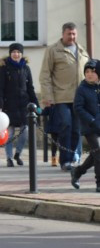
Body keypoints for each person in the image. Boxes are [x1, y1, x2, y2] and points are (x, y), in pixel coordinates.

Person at [39, 22, 89, 171]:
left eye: (74, 34)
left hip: (79, 99)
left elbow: (89, 75)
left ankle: (73, 157)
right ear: (63, 34)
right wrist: (47, 96)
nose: (72, 37)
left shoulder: (81, 51)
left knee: (76, 130)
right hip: (60, 98)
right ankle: (65, 161)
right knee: (65, 126)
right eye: (69, 34)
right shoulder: (53, 51)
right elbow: (45, 75)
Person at [0, 42, 39, 167]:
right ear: (10, 53)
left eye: (19, 52)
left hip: (24, 106)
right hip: (9, 105)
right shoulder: (4, 68)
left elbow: (30, 88)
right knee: (9, 134)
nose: (16, 54)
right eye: (14, 52)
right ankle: (9, 158)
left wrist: (36, 105)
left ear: (22, 54)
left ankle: (18, 154)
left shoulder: (26, 68)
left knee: (25, 132)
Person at [71, 60, 100, 191]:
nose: (89, 74)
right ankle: (99, 183)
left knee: (95, 154)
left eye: (93, 72)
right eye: (87, 72)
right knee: (98, 152)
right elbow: (78, 108)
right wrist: (92, 120)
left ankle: (78, 172)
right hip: (89, 127)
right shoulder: (82, 89)